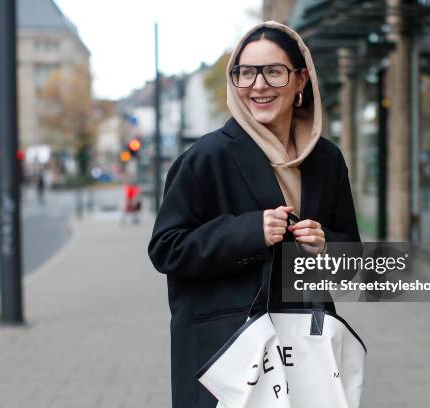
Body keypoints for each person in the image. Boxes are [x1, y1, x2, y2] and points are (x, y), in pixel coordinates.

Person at [148, 21, 360, 408]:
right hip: (227, 357)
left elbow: (353, 262)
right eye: (246, 73)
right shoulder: (206, 158)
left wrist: (326, 245)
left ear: (300, 80)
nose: (258, 85)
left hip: (303, 354)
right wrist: (250, 232)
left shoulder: (326, 160)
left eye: (274, 72)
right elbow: (166, 249)